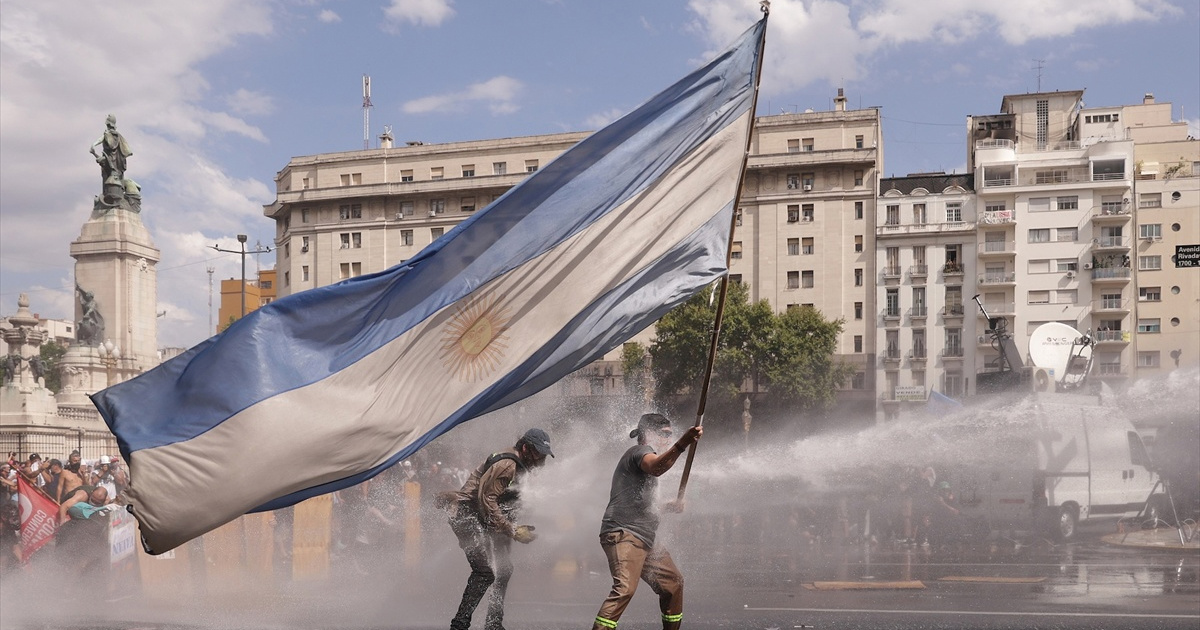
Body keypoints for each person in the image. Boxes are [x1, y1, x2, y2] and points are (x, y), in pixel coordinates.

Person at [592, 413, 702, 630]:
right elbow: (657, 467)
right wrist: (683, 443)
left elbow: (642, 506)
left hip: (644, 539)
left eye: (671, 436)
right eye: (665, 435)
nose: (669, 439)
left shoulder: (643, 460)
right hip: (624, 535)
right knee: (624, 589)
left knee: (673, 584)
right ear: (648, 434)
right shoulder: (640, 452)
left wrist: (668, 507)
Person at [446, 428, 553, 630]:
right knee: (484, 572)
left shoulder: (520, 465)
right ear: (525, 448)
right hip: (465, 515)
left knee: (504, 569)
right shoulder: (507, 465)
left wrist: (513, 524)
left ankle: (494, 624)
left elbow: (503, 501)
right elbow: (487, 500)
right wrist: (510, 530)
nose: (540, 459)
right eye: (538, 453)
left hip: (482, 517)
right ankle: (459, 625)